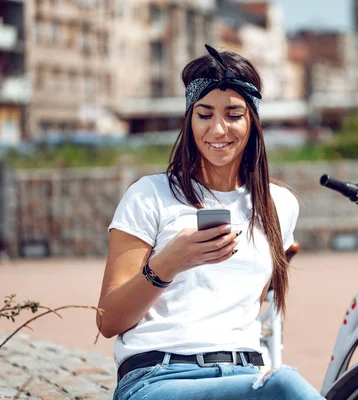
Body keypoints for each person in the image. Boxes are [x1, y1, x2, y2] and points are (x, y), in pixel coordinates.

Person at [97, 44, 324, 400]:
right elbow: (108, 320)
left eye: (234, 114)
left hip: (245, 375)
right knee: (285, 385)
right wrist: (167, 264)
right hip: (158, 377)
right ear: (189, 119)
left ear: (253, 121)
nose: (218, 129)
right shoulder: (149, 195)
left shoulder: (280, 205)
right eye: (204, 114)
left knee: (278, 383)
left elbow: (247, 303)